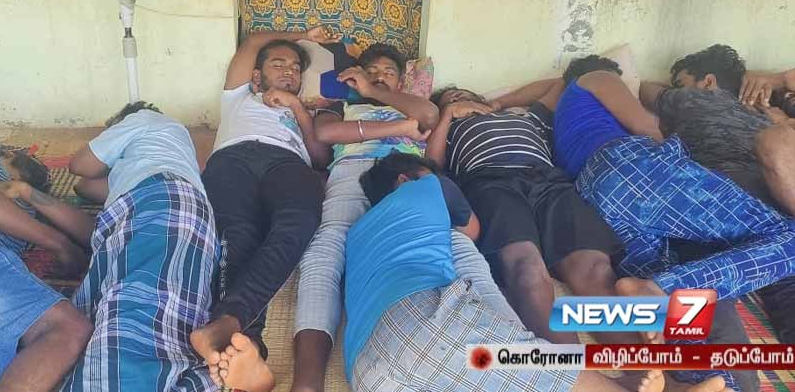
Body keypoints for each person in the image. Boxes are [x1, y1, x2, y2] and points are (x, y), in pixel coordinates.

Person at [322, 152, 717, 392]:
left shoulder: (356, 234)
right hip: (424, 324)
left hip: (366, 370)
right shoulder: (427, 188)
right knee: (529, 361)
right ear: (405, 179)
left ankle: (619, 383)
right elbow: (470, 230)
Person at [549, 55, 795, 390]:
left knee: (679, 317)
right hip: (631, 167)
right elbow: (648, 128)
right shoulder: (596, 77)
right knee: (790, 238)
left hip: (599, 198)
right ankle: (662, 287)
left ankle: (717, 382)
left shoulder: (563, 119)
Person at [21, 101, 220, 392]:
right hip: (176, 216)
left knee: (137, 313)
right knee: (145, 311)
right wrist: (28, 193)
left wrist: (108, 146)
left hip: (167, 205)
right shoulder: (155, 161)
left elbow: (80, 167)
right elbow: (87, 199)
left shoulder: (145, 118)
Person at [190, 26, 339, 392]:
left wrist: (297, 108)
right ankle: (249, 345)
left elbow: (320, 158)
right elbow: (254, 42)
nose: (290, 71)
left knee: (300, 222)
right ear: (257, 76)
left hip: (288, 164)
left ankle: (229, 324)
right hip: (233, 158)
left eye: (296, 68)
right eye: (279, 64)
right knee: (237, 235)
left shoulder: (307, 110)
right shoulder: (238, 95)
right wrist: (303, 34)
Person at [425, 84, 631, 345]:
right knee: (526, 273)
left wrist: (497, 104)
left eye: (462, 93)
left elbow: (559, 83)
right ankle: (572, 369)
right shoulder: (451, 129)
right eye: (449, 100)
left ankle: (641, 366)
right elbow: (432, 165)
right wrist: (448, 115)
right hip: (490, 183)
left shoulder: (525, 117)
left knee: (595, 271)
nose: (456, 97)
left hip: (550, 183)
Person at [289, 43, 440, 392]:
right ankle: (307, 381)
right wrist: (401, 127)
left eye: (388, 72)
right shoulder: (340, 104)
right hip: (352, 173)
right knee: (323, 254)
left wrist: (376, 92)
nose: (379, 76)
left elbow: (430, 116)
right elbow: (326, 134)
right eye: (371, 72)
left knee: (440, 252)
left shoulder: (412, 105)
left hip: (407, 177)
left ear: (401, 81)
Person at [638, 45, 795, 344]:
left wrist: (674, 91)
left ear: (708, 81)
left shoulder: (693, 98)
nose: (676, 89)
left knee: (714, 284)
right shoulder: (763, 116)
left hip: (723, 192)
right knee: (786, 278)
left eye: (680, 82)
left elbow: (645, 88)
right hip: (777, 191)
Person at [0, 154, 92, 391]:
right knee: (69, 327)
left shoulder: (22, 204)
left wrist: (25, 191)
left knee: (69, 327)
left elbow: (93, 232)